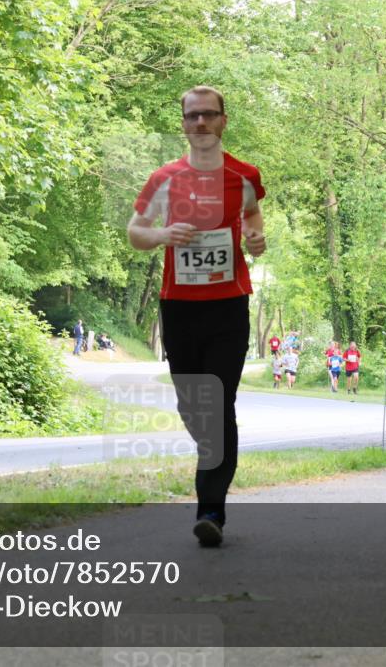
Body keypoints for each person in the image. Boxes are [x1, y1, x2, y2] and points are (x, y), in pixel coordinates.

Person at [127, 85, 267, 547]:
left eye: (209, 114)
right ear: (184, 124)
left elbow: (252, 216)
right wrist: (164, 234)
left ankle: (211, 510)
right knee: (194, 406)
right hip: (180, 307)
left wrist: (255, 238)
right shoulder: (164, 178)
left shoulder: (244, 176)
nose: (201, 122)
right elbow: (136, 232)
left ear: (224, 120)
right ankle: (214, 458)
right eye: (193, 116)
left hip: (229, 305)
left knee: (218, 403)